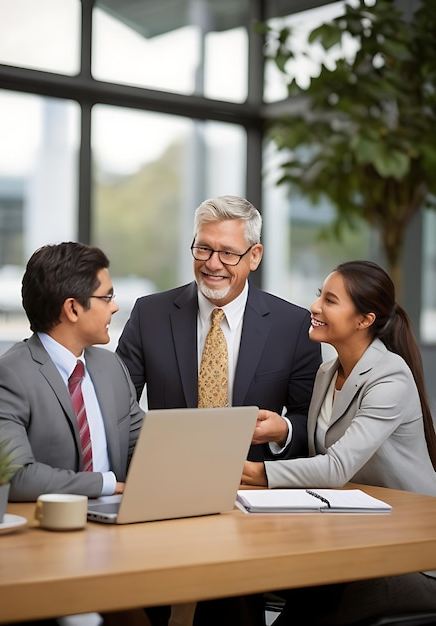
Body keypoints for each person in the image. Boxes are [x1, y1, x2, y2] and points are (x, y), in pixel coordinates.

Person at [116, 195, 322, 626]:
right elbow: (118, 405)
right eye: (204, 248)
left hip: (250, 494)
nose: (213, 263)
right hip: (162, 490)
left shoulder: (292, 325)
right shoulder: (151, 313)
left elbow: (311, 422)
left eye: (228, 252)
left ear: (255, 256)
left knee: (234, 613)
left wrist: (281, 429)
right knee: (142, 603)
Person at [242, 259, 436, 624]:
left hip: (415, 555)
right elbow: (320, 456)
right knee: (264, 577)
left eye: (330, 300)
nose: (315, 307)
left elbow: (334, 468)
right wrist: (283, 431)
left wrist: (254, 471)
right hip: (358, 539)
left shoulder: (390, 377)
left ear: (364, 320)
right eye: (320, 296)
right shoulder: (326, 372)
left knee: (332, 589)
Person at [0, 242, 144, 502]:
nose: (115, 307)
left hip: (119, 521)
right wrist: (109, 484)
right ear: (73, 308)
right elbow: (15, 477)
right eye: (107, 297)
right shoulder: (2, 379)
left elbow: (147, 446)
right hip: (44, 529)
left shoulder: (111, 367)